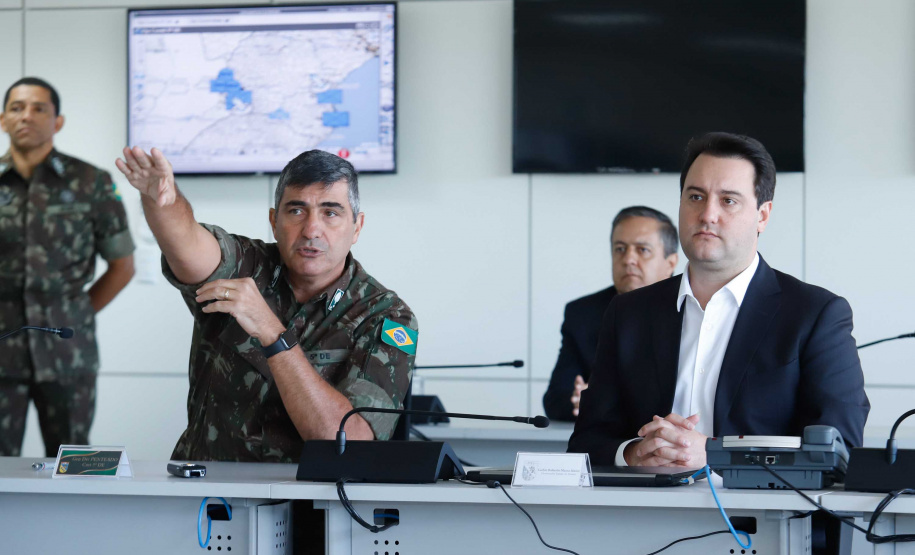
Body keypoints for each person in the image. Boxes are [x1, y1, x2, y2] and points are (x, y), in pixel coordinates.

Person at [568, 132, 869, 467]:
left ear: (763, 216)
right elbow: (586, 442)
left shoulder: (815, 315)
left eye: (728, 201)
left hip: (757, 517)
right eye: (695, 197)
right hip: (642, 512)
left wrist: (716, 455)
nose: (707, 214)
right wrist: (632, 453)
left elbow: (839, 449)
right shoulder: (628, 313)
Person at [115, 146, 417, 462]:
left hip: (310, 502)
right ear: (274, 221)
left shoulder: (385, 316)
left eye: (330, 212)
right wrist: (161, 201)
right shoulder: (247, 265)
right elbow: (188, 247)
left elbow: (349, 443)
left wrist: (274, 334)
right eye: (296, 211)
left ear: (357, 227)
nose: (312, 230)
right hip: (207, 495)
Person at [0, 77, 135, 456]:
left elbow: (122, 266)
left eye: (39, 108)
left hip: (67, 355)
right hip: (1, 349)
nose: (27, 116)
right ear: (2, 120)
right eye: (16, 107)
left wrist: (76, 315)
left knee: (73, 463)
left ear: (57, 121)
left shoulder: (91, 182)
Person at [542, 206, 678, 421]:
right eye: (620, 249)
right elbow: (556, 400)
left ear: (670, 263)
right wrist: (579, 401)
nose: (628, 259)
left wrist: (604, 402)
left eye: (642, 250)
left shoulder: (695, 308)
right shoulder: (582, 314)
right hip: (604, 447)